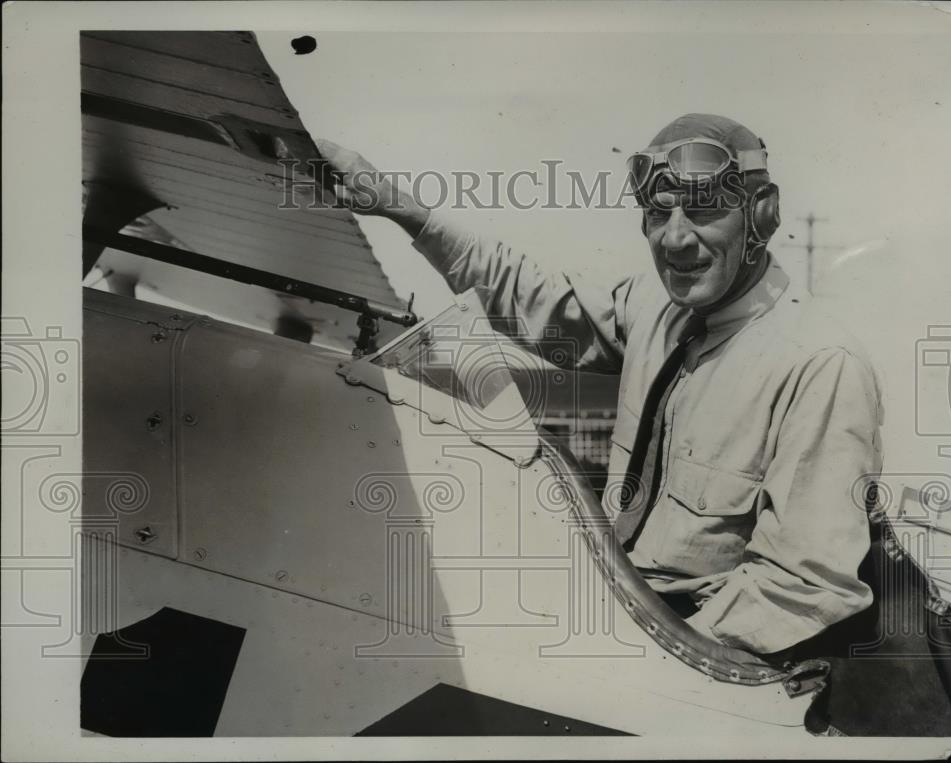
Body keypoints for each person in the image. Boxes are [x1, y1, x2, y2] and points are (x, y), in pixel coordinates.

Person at [303, 113, 883, 655]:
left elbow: (803, 589)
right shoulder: (656, 307)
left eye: (704, 210)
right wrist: (405, 210)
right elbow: (536, 299)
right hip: (608, 602)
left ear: (760, 216)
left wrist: (637, 656)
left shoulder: (821, 366)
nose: (676, 240)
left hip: (683, 647)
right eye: (660, 214)